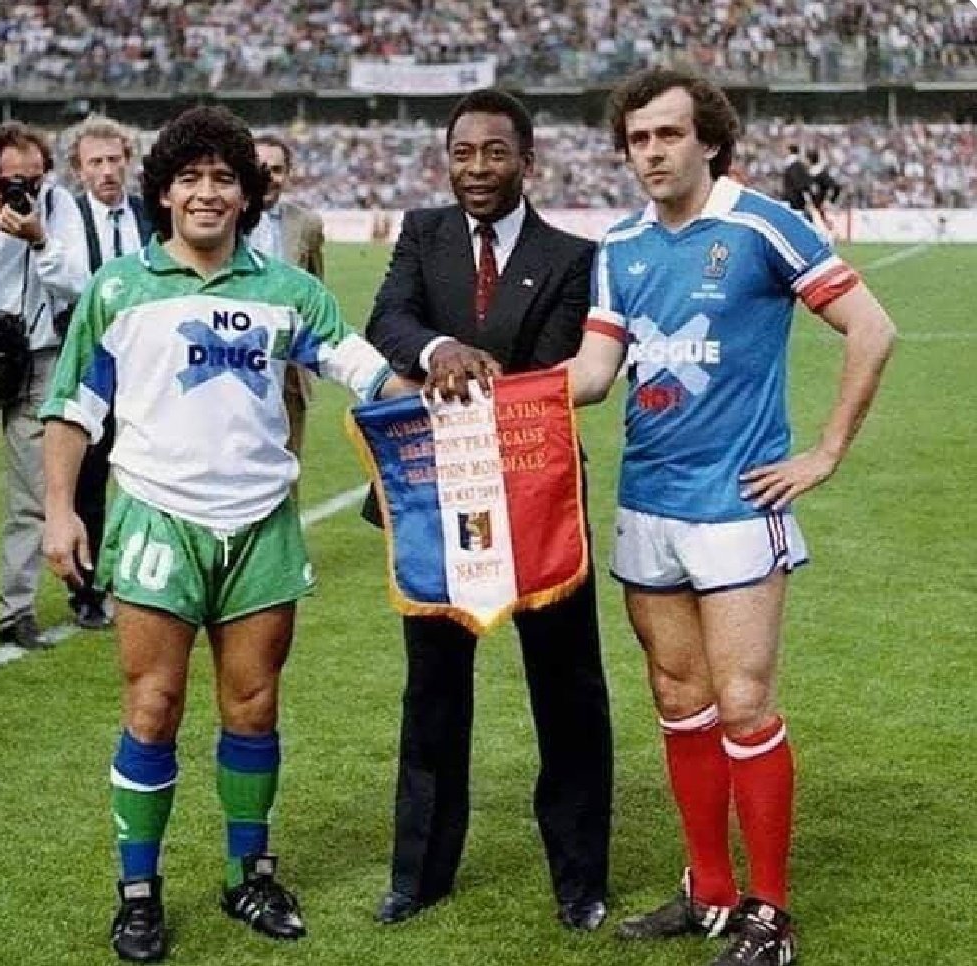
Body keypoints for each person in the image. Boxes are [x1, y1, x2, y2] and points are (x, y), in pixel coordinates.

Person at [40, 106, 410, 964]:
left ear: (247, 195)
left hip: (260, 524)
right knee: (154, 706)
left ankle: (249, 871)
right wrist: (61, 511)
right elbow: (70, 410)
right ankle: (139, 890)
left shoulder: (288, 289)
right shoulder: (120, 291)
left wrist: (435, 378)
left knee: (252, 706)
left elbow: (363, 369)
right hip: (157, 518)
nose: (208, 193)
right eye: (191, 178)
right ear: (163, 192)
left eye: (224, 179)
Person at [566, 67, 895, 966]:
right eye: (636, 139)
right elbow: (594, 377)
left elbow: (873, 329)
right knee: (679, 701)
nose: (651, 153)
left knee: (744, 705)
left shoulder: (762, 223)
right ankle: (708, 891)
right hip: (648, 503)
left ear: (708, 139)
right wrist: (484, 400)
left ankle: (770, 915)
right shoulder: (620, 244)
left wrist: (824, 453)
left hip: (737, 505)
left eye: (668, 135)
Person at [364, 87, 613, 932]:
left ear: (527, 159)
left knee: (569, 691)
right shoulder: (421, 231)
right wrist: (438, 349)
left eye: (495, 153)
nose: (477, 169)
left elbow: (559, 363)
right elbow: (388, 317)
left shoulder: (575, 254)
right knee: (432, 691)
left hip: (540, 502)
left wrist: (470, 366)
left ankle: (580, 881)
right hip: (436, 504)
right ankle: (419, 874)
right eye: (463, 153)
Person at [0, 120, 87, 649]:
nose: (24, 190)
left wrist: (39, 237)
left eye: (34, 179)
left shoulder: (60, 208)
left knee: (32, 496)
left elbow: (77, 286)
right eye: (11, 181)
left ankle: (15, 611)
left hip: (39, 359)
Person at [64, 115, 153, 630]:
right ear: (79, 170)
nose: (107, 171)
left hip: (144, 370)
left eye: (115, 160)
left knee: (144, 474)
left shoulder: (150, 218)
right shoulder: (68, 220)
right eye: (95, 162)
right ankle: (89, 590)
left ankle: (137, 579)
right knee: (90, 482)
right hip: (94, 369)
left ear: (128, 161)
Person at [251, 133, 324, 478]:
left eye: (277, 169)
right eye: (260, 167)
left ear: (288, 174)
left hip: (289, 371)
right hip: (236, 362)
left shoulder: (306, 224)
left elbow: (316, 291)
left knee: (287, 471)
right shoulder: (223, 219)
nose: (268, 176)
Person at [781, 143, 812, 216]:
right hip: (794, 198)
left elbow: (798, 183)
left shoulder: (795, 165)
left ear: (789, 151)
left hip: (794, 199)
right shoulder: (795, 164)